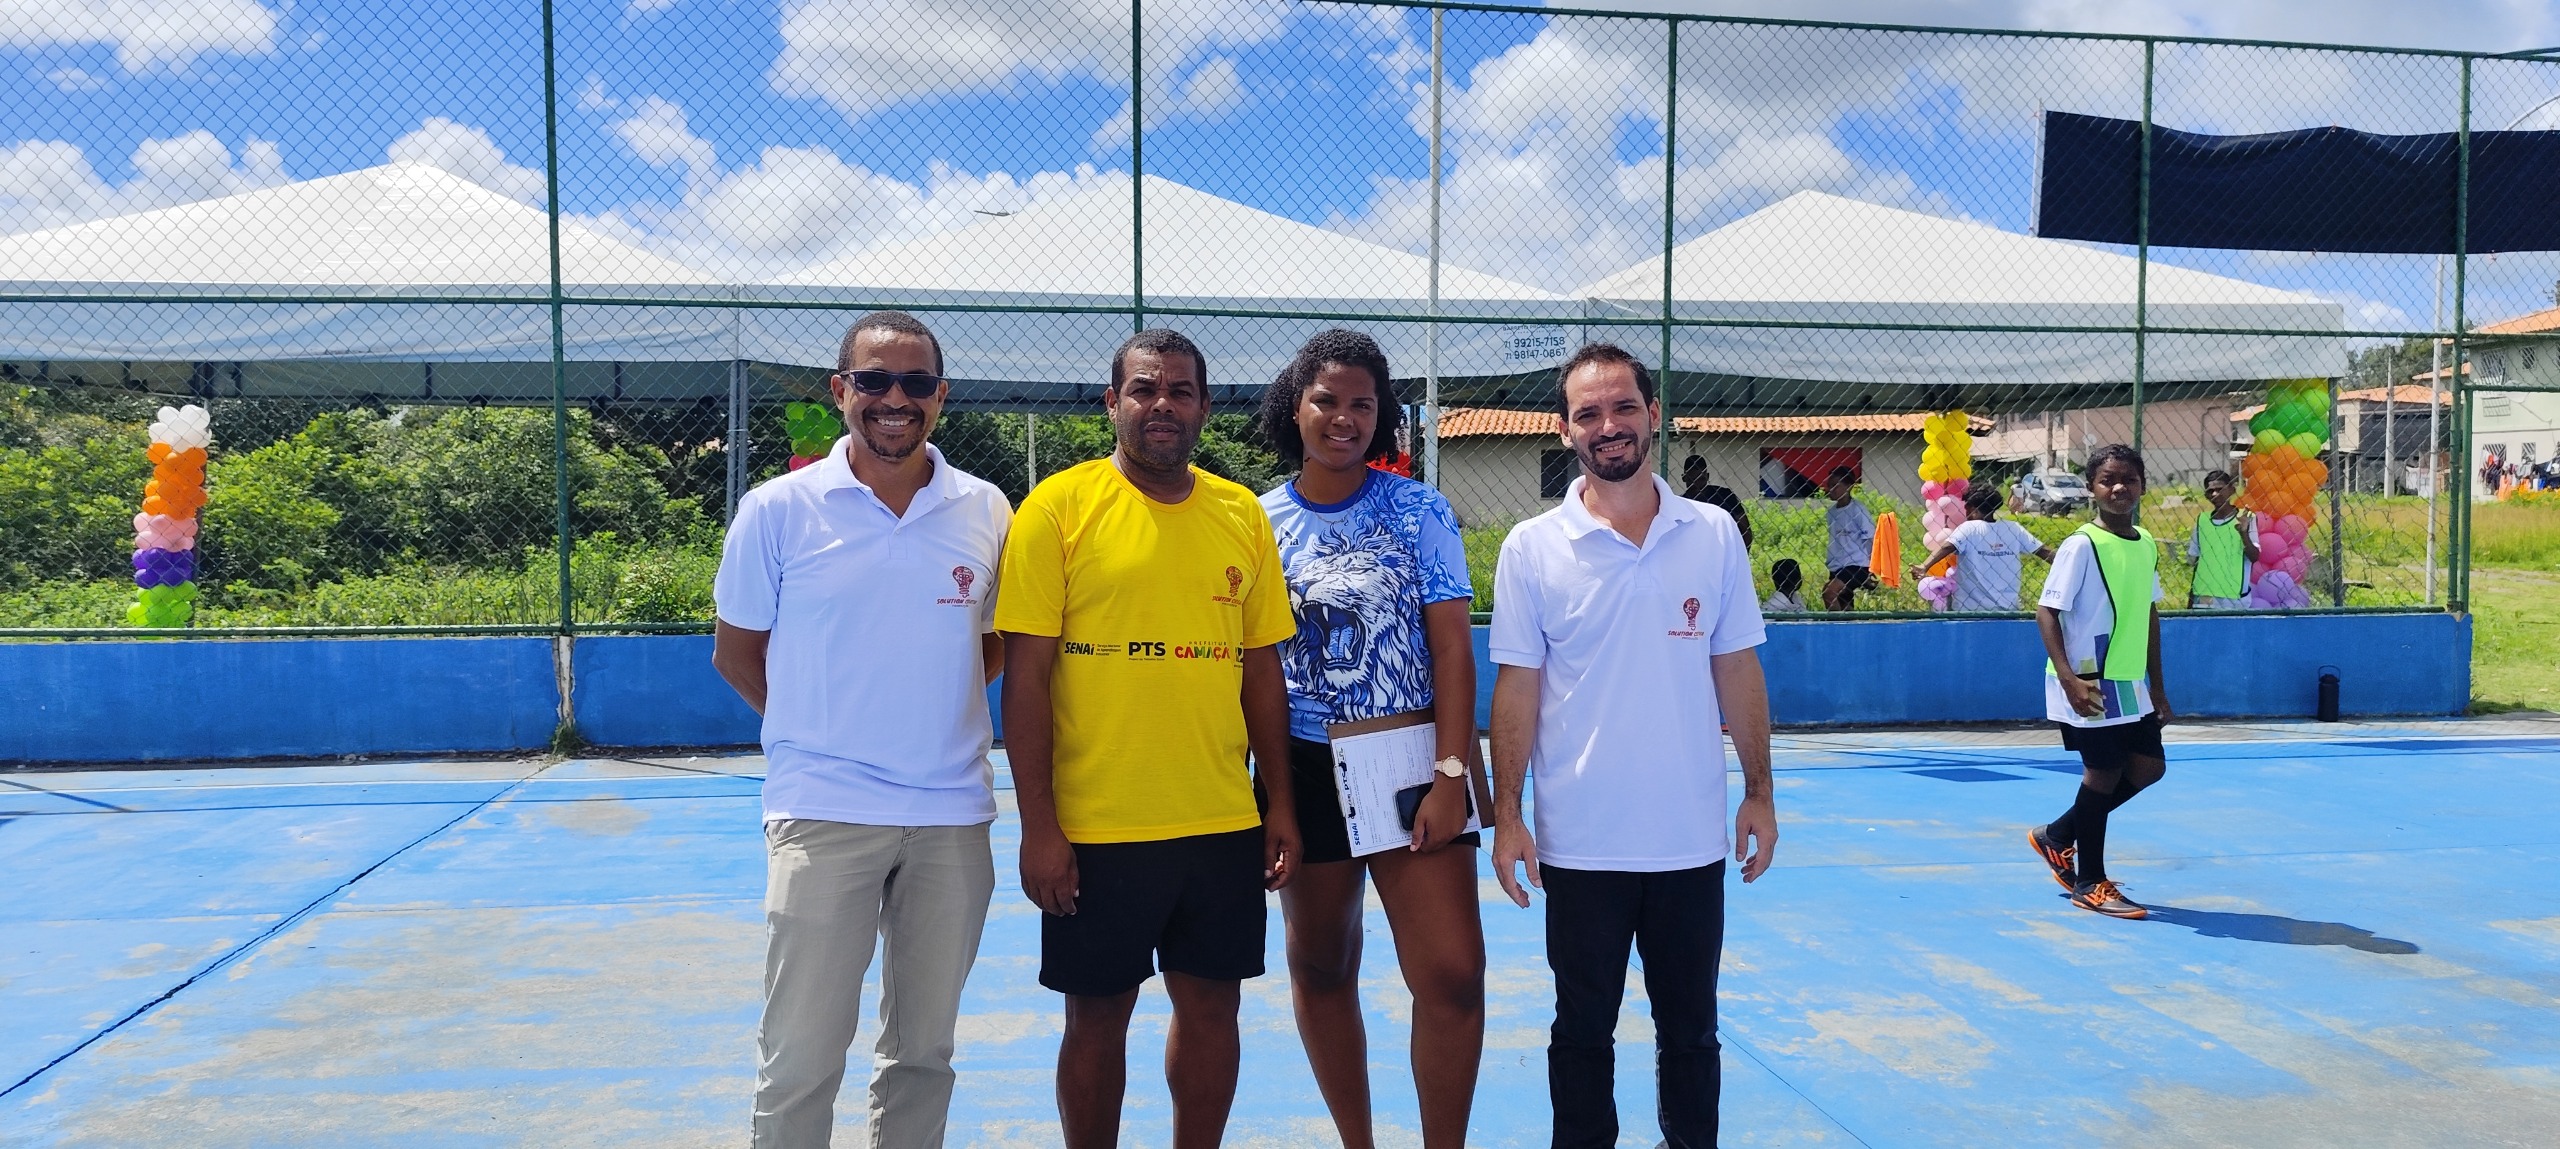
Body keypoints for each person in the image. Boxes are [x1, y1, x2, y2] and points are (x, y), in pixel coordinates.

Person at [713, 311, 1014, 1148]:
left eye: (916, 383)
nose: (895, 399)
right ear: (840, 389)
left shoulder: (986, 509)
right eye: (875, 380)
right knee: (801, 1054)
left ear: (941, 397)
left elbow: (991, 643)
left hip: (952, 815)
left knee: (924, 1052)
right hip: (822, 809)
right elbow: (737, 653)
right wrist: (814, 726)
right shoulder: (778, 510)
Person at [995, 328, 1302, 1149]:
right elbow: (1024, 679)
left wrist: (1279, 803)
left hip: (1219, 822)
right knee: (1095, 1019)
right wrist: (1039, 825)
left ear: (1204, 405)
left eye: (1179, 390)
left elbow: (1260, 672)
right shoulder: (1055, 509)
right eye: (1143, 389)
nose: (1161, 405)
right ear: (1112, 402)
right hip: (1098, 829)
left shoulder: (1240, 513)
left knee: (1213, 1009)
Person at [1487, 342, 1779, 1149]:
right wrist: (1507, 815)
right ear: (1564, 429)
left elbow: (1737, 670)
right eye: (1588, 413)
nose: (1607, 426)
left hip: (1688, 844)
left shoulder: (1714, 534)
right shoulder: (1531, 547)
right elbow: (1516, 690)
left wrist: (1759, 791)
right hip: (1579, 847)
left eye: (1622, 408)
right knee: (1581, 1031)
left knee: (1691, 1031)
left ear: (1654, 414)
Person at [1252, 329, 1489, 1149]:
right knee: (1321, 967)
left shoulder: (1419, 509)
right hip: (1304, 765)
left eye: (1362, 403)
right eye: (1327, 400)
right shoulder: (1256, 520)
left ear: (1382, 415)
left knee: (1453, 977)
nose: (1344, 417)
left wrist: (1451, 772)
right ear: (1296, 405)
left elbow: (1454, 647)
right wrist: (1277, 795)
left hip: (1407, 756)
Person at [2025, 443, 2173, 921]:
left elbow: (2149, 614)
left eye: (2128, 479)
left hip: (2130, 681)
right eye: (2108, 479)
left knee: (2149, 767)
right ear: (2091, 487)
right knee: (2103, 773)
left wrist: (2159, 686)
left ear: (2142, 485)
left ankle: (2058, 835)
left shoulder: (2145, 542)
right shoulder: (2080, 544)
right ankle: (2090, 881)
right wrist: (2067, 677)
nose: (2118, 488)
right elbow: (2046, 612)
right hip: (2087, 678)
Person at [1908, 484, 2055, 612]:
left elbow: (1947, 546)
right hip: (2008, 609)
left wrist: (1925, 566)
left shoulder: (1969, 528)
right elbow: (2044, 552)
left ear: (1972, 508)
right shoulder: (2013, 529)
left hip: (1970, 611)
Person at [2186, 470, 2260, 609]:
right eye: (2210, 491)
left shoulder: (2246, 517)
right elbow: (2196, 561)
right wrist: (2191, 600)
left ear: (2231, 490)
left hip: (2234, 598)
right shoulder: (2202, 520)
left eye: (2220, 489)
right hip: (2204, 594)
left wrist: (2244, 533)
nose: (2215, 494)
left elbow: (2254, 556)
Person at [1819, 465, 1876, 611]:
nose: (1830, 489)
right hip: (1837, 564)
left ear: (1849, 486)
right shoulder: (1831, 513)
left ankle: (1836, 630)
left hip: (1856, 564)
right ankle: (1852, 628)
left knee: (1829, 593)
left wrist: (1872, 568)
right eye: (1829, 485)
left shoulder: (1858, 510)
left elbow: (1870, 538)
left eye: (1835, 486)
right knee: (1845, 605)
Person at [1680, 455, 1754, 548]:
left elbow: (1745, 531)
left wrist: (1741, 555)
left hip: (1725, 547)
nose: (1697, 484)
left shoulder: (1724, 496)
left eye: (1701, 479)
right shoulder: (1681, 504)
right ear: (1684, 478)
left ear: (1707, 476)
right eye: (1692, 480)